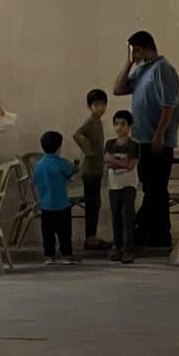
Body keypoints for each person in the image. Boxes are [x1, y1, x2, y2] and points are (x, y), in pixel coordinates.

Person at [113, 30, 179, 248]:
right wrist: (128, 63)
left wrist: (159, 135)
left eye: (136, 51)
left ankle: (142, 231)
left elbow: (168, 107)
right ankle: (158, 235)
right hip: (141, 138)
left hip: (157, 139)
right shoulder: (143, 69)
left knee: (155, 188)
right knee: (152, 188)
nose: (134, 55)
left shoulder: (163, 69)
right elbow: (118, 89)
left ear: (146, 48)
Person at [33, 131, 78, 265]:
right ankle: (66, 256)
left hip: (45, 205)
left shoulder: (38, 165)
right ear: (59, 147)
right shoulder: (61, 163)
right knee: (64, 233)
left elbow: (35, 181)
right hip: (62, 205)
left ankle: (49, 256)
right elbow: (71, 172)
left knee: (47, 234)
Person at [73, 88, 109, 251]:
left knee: (96, 202)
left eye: (102, 104)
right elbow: (77, 134)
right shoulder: (90, 121)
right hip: (90, 169)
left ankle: (92, 236)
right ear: (90, 106)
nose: (100, 107)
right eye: (96, 104)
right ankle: (90, 238)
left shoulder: (97, 121)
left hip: (96, 168)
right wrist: (88, 151)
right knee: (92, 203)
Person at [104, 110, 139, 264]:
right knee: (116, 216)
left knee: (127, 216)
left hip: (128, 184)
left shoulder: (134, 145)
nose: (119, 127)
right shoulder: (110, 144)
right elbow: (106, 162)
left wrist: (115, 161)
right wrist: (118, 163)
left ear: (130, 126)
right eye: (116, 124)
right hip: (113, 185)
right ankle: (117, 247)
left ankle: (128, 249)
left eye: (123, 124)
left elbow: (130, 165)